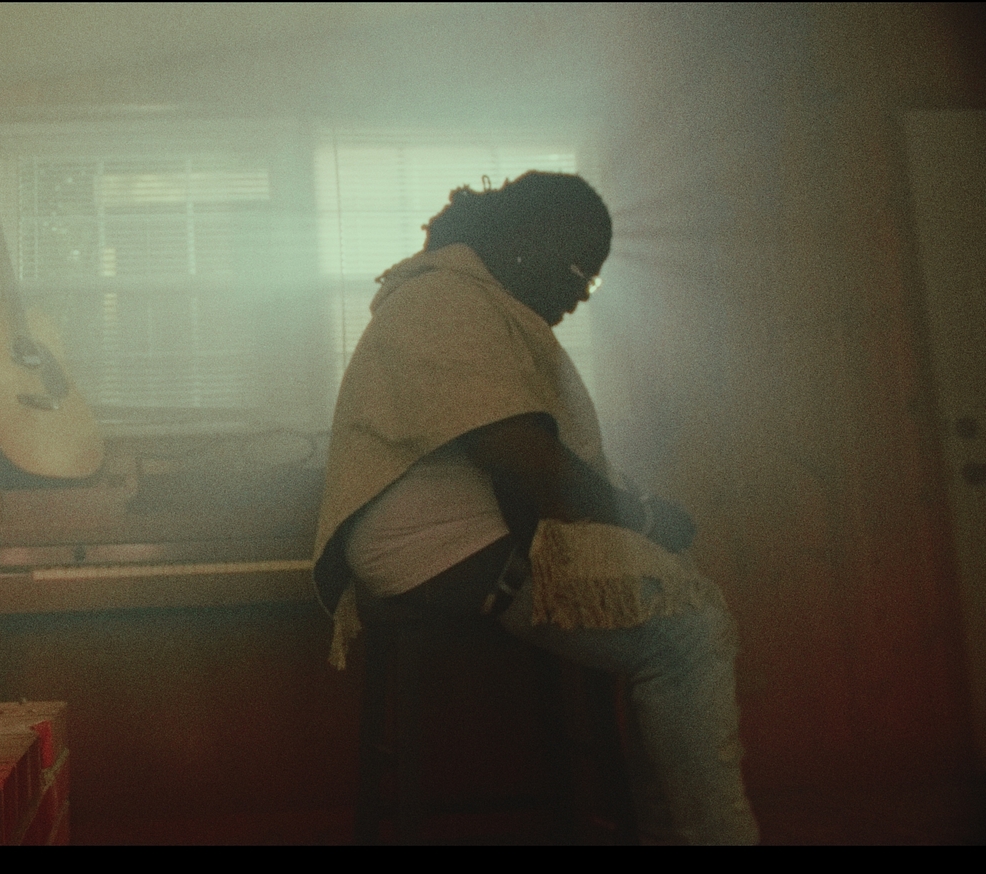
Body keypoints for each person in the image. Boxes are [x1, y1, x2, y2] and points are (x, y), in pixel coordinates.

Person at [312, 171, 758, 845]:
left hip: (451, 544)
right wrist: (638, 518)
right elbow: (520, 454)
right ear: (526, 242)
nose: (580, 295)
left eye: (593, 282)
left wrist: (639, 507)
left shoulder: (467, 298)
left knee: (677, 602)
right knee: (688, 634)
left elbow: (542, 452)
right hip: (439, 552)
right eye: (580, 270)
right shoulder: (445, 300)